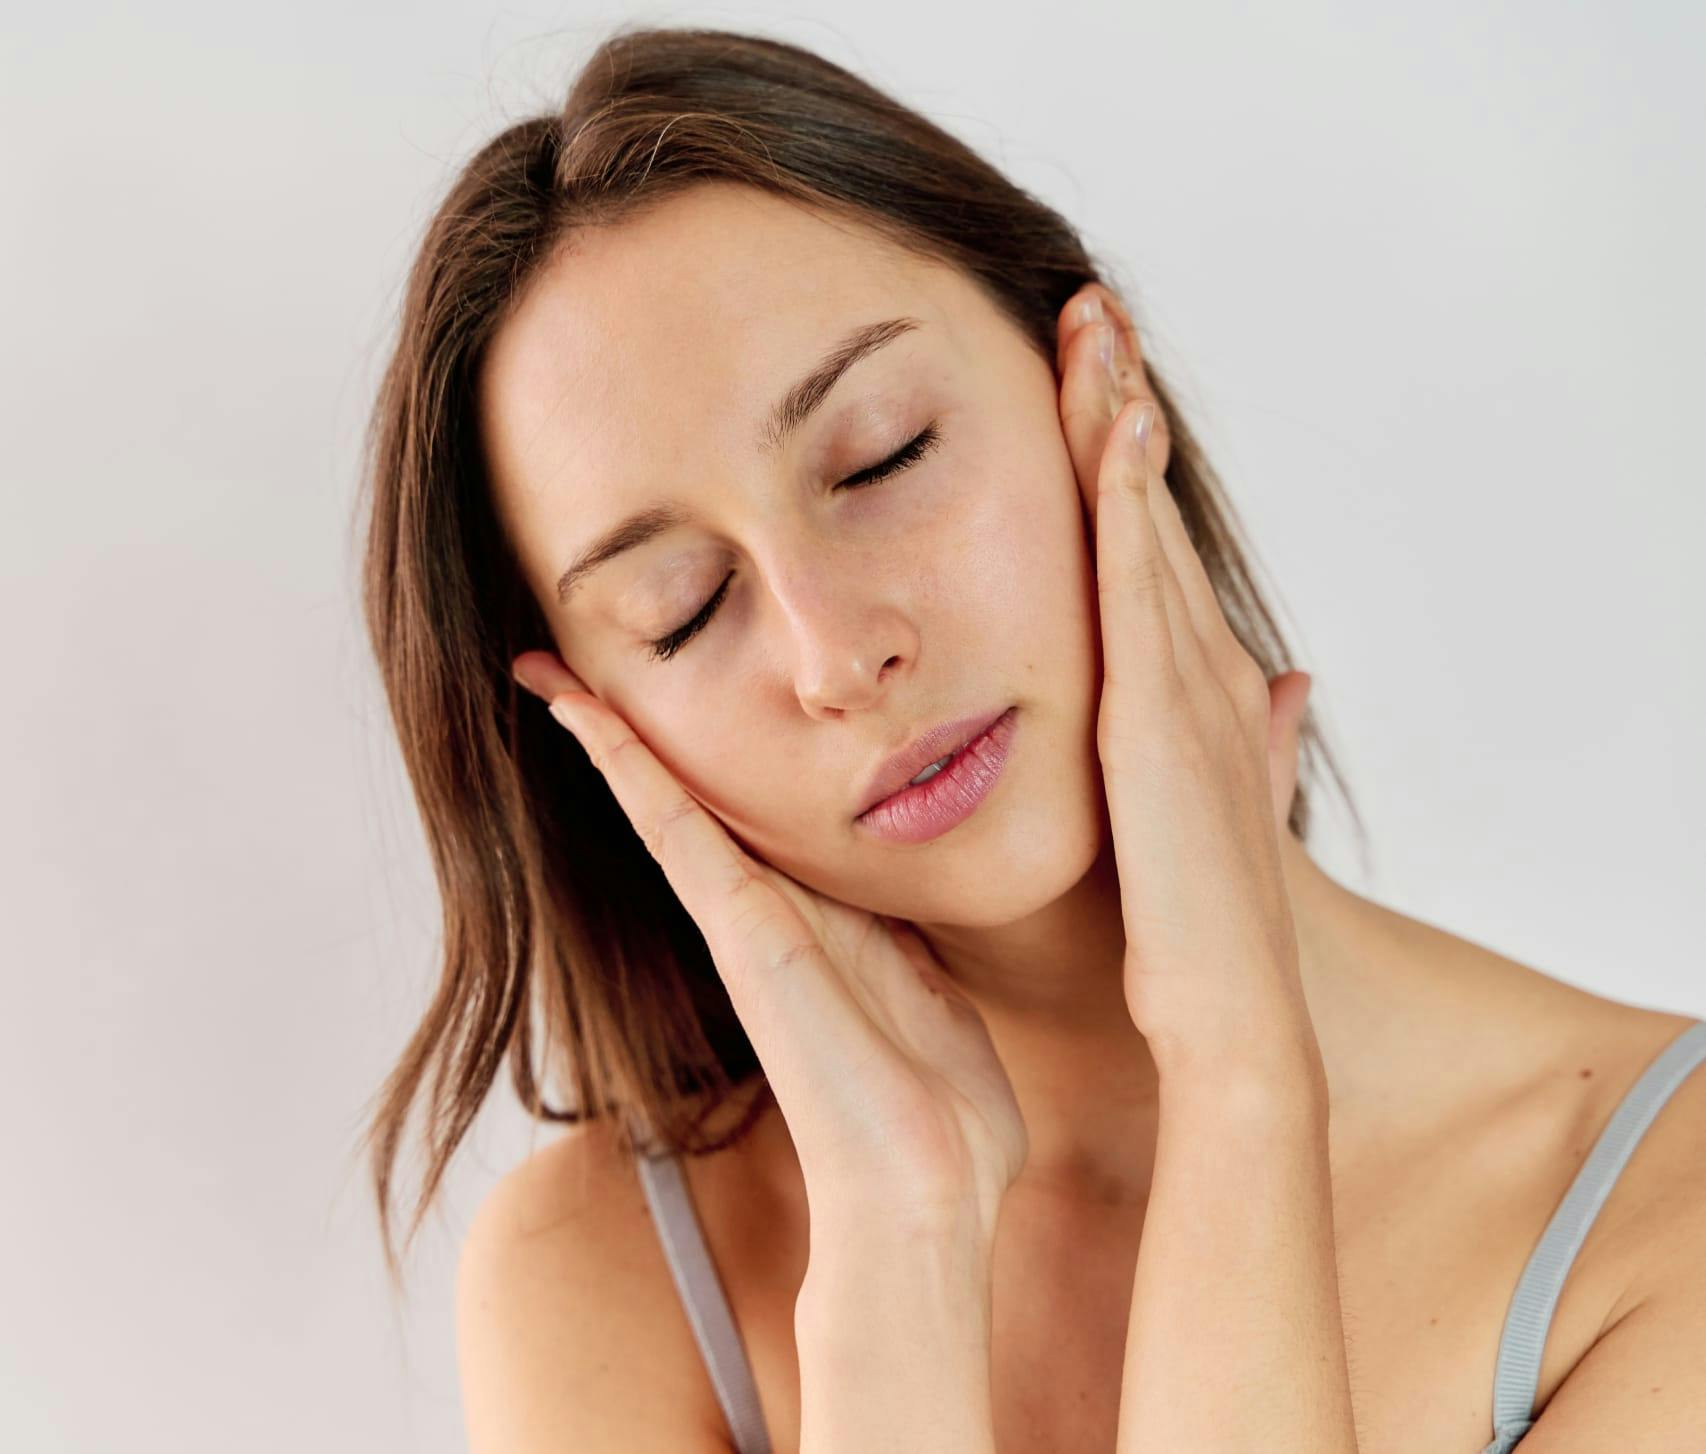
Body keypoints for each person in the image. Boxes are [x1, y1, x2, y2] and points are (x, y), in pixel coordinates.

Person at [355, 25, 1706, 1454]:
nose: (838, 656)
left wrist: (1239, 1073)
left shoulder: (1661, 1208)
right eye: (682, 610)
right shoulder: (606, 1273)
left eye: (882, 456)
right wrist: (899, 1242)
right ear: (596, 725)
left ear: (1099, 380)